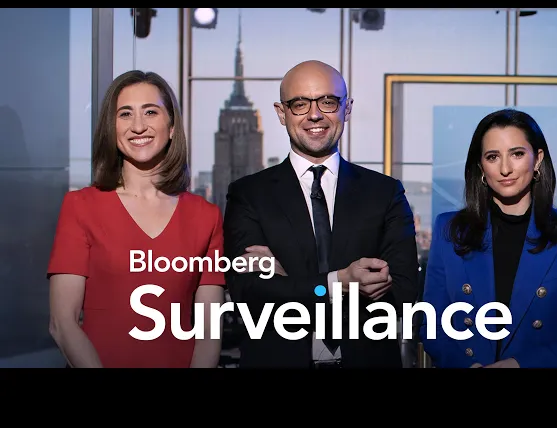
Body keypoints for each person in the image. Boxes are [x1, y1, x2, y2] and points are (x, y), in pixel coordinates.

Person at [223, 60, 419, 368]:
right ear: (281, 113)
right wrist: (338, 283)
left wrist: (289, 282)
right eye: (300, 104)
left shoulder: (384, 193)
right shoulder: (248, 195)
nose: (314, 114)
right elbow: (249, 294)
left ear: (347, 108)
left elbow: (404, 292)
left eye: (327, 101)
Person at [47, 70, 226, 368]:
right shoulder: (80, 206)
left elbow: (209, 331)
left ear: (171, 127)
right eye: (125, 114)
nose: (138, 126)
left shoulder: (206, 217)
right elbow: (62, 323)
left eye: (151, 112)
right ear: (112, 128)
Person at [420, 108, 557, 368]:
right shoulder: (449, 230)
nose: (505, 168)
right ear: (481, 167)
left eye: (517, 154)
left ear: (537, 159)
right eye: (492, 157)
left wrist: (519, 365)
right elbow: (432, 324)